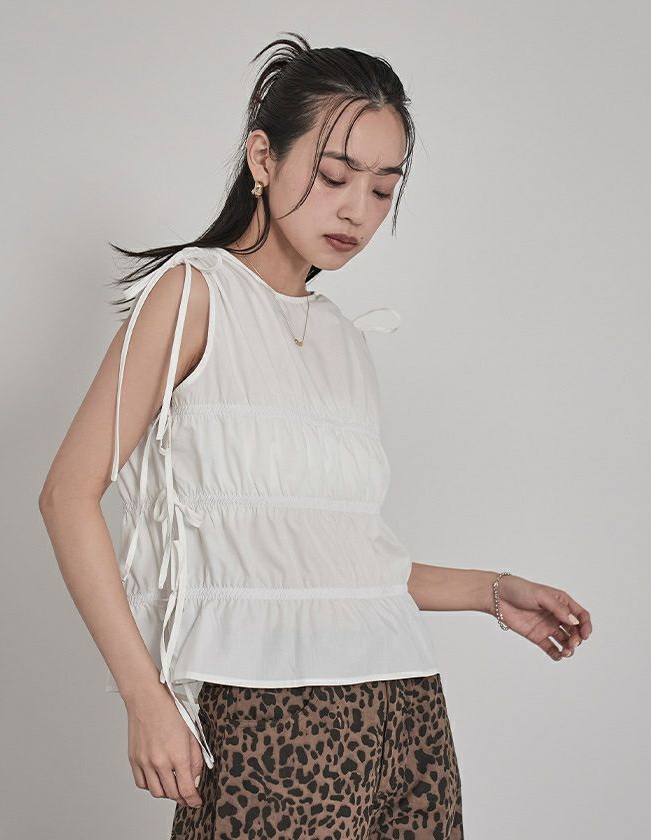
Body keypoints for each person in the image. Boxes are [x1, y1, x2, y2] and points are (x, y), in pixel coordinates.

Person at [39, 32, 592, 840]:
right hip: (265, 720)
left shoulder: (343, 339)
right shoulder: (194, 296)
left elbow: (336, 565)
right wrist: (143, 695)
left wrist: (491, 592)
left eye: (383, 189)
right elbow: (66, 495)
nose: (357, 210)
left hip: (404, 713)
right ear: (263, 158)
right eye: (335, 176)